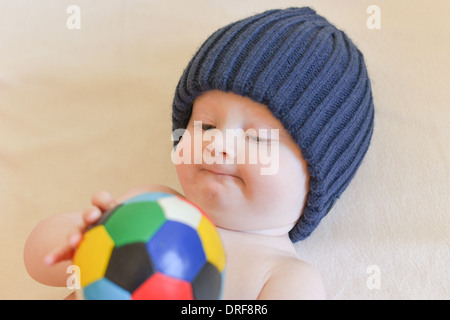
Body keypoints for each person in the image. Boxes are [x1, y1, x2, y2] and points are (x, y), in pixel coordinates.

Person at [24, 7, 374, 299]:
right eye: (206, 126)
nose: (218, 144)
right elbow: (37, 261)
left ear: (315, 179)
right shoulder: (152, 204)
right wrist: (82, 245)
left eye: (256, 138)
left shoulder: (286, 278)